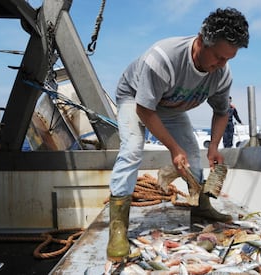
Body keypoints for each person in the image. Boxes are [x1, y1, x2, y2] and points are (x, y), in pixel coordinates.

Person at [106, 7, 249, 262]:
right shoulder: (163, 59)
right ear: (201, 40)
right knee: (132, 149)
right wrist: (173, 148)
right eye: (218, 57)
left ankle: (201, 207)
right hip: (136, 98)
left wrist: (214, 146)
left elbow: (221, 112)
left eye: (228, 59)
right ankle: (118, 227)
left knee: (193, 153)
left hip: (170, 106)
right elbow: (145, 110)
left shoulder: (221, 75)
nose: (221, 65)